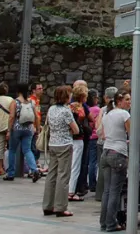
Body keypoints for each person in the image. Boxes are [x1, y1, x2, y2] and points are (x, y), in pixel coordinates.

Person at [44, 85, 80, 217]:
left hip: (53, 143)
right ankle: (60, 207)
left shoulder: (51, 109)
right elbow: (76, 130)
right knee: (63, 176)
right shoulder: (66, 111)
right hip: (64, 144)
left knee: (51, 175)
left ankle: (48, 205)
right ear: (66, 96)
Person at [100, 90, 132, 232]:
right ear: (119, 101)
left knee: (107, 190)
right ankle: (111, 223)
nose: (129, 102)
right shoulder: (124, 114)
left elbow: (105, 134)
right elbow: (131, 132)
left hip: (106, 152)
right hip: (118, 152)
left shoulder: (107, 114)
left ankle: (104, 222)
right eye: (127, 99)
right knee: (115, 191)